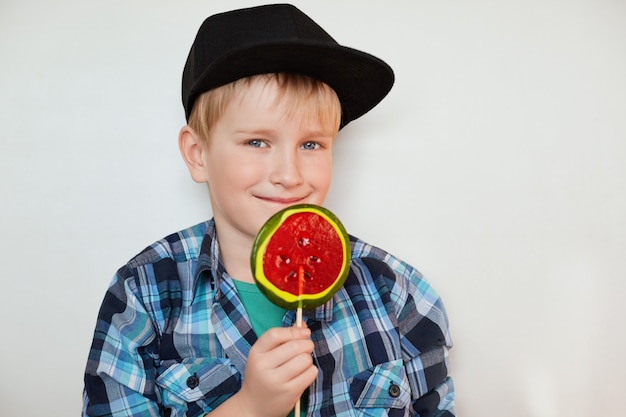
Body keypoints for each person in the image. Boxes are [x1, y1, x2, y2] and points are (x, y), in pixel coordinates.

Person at [83, 4, 455, 417]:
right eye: (257, 142)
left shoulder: (400, 294)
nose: (288, 175)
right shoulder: (143, 295)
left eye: (311, 144)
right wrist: (250, 407)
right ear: (198, 154)